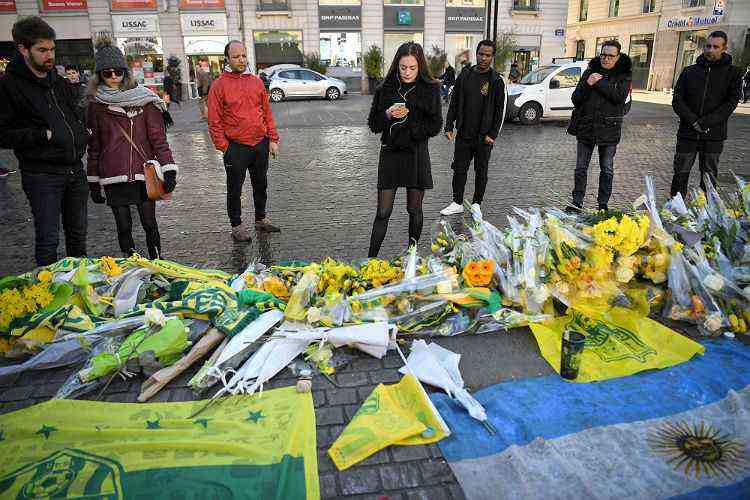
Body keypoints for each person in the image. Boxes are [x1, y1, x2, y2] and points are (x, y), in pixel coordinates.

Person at [0, 17, 89, 266]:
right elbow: (3, 133)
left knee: (78, 238)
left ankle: (78, 286)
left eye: (52, 49)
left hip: (75, 171)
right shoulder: (9, 86)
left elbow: (74, 115)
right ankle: (48, 292)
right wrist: (42, 135)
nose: (49, 55)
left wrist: (82, 134)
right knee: (48, 239)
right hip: (42, 175)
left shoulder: (58, 81)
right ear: (23, 49)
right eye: (42, 50)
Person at [86, 34, 177, 260]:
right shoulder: (96, 106)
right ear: (99, 76)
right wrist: (94, 181)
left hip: (143, 174)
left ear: (125, 73)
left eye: (118, 71)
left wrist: (169, 169)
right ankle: (130, 261)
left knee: (149, 223)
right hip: (113, 176)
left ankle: (157, 260)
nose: (114, 77)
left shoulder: (145, 101)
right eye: (107, 73)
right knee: (123, 226)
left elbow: (158, 139)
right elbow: (95, 146)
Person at [366, 41, 442, 257]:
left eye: (412, 68)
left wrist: (411, 127)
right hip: (390, 154)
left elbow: (436, 124)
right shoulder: (385, 88)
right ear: (396, 65)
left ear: (420, 67)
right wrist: (388, 114)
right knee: (383, 211)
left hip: (416, 154)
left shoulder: (430, 88)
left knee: (414, 209)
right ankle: (370, 259)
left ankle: (412, 255)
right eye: (403, 67)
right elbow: (373, 124)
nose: (407, 72)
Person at [208, 40, 281, 242]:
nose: (241, 60)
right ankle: (237, 225)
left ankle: (260, 219)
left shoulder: (256, 82)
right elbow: (214, 120)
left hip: (260, 144)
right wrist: (224, 147)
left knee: (261, 185)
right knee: (235, 189)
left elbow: (267, 112)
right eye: (236, 57)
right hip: (235, 148)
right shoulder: (219, 85)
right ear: (227, 59)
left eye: (243, 55)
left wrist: (272, 139)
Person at [670, 31, 742, 198]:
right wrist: (693, 121)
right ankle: (674, 210)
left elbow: (730, 104)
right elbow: (677, 100)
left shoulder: (733, 73)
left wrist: (706, 123)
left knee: (709, 177)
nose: (710, 50)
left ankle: (708, 214)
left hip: (714, 135)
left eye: (715, 47)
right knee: (680, 173)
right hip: (688, 133)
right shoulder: (689, 71)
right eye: (708, 46)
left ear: (724, 48)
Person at [441, 40, 506, 217]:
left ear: (492, 57)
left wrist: (492, 135)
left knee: (481, 171)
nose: (483, 58)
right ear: (476, 54)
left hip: (484, 137)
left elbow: (501, 109)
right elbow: (454, 102)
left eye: (487, 55)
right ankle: (457, 202)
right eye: (481, 54)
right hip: (464, 133)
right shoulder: (465, 75)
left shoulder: (496, 80)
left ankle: (477, 203)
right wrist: (448, 125)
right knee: (459, 169)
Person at [566, 40, 632, 212]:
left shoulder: (624, 76)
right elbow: (576, 98)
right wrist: (588, 83)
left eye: (610, 56)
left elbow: (618, 97)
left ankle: (603, 204)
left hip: (609, 129)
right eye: (603, 54)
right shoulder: (589, 72)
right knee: (580, 168)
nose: (606, 59)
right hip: (586, 127)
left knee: (607, 169)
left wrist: (598, 82)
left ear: (618, 57)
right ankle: (577, 201)